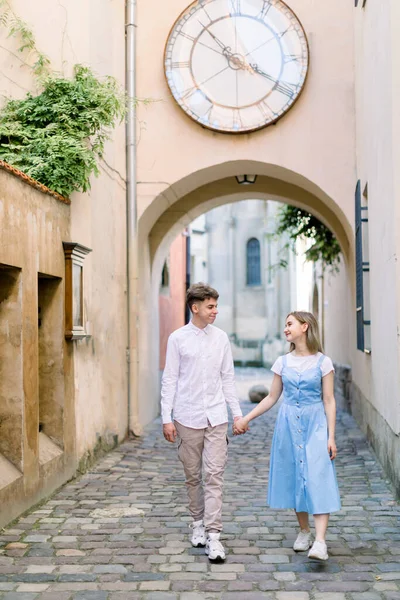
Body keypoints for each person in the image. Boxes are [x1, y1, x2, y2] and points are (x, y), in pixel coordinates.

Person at [234, 311, 341, 561]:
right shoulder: (282, 362)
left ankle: (321, 541)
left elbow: (329, 400)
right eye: (285, 325)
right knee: (297, 477)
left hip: (316, 424)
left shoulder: (323, 362)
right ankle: (304, 531)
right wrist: (246, 418)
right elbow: (272, 397)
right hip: (288, 424)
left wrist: (331, 436)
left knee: (318, 476)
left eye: (289, 324)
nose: (285, 329)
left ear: (305, 327)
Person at [161, 282, 243, 562]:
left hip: (217, 417)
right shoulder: (177, 339)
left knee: (214, 475)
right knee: (193, 476)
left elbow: (228, 379)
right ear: (195, 308)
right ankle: (196, 523)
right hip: (187, 416)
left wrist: (237, 413)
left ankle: (214, 536)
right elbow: (170, 379)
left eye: (216, 306)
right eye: (210, 306)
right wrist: (166, 418)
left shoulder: (221, 338)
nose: (215, 311)